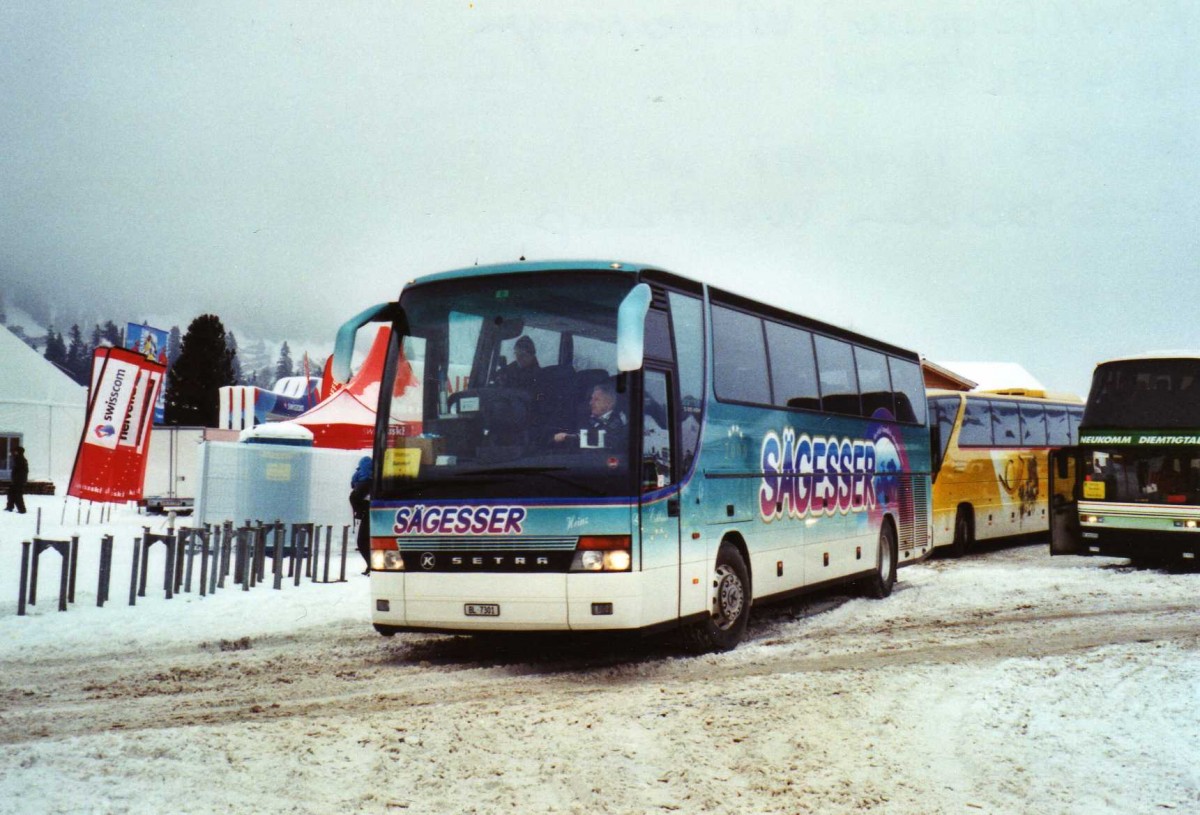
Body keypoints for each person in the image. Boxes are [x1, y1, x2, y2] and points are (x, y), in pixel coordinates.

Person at [554, 381, 627, 450]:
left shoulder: (619, 421)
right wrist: (565, 437)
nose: (591, 403)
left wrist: (571, 437)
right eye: (591, 399)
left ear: (609, 403)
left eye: (596, 400)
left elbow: (606, 439)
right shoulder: (587, 418)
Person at [349, 455, 372, 573]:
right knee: (367, 541)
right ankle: (372, 565)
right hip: (373, 512)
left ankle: (371, 565)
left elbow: (354, 493)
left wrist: (360, 512)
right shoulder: (375, 477)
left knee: (362, 542)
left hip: (367, 514)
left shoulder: (361, 479)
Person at [5, 445, 28, 514]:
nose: (14, 452)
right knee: (11, 493)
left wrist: (17, 480)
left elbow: (21, 472)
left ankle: (22, 509)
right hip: (16, 480)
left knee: (17, 494)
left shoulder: (20, 460)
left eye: (15, 451)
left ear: (18, 452)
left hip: (18, 481)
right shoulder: (18, 459)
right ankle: (10, 506)